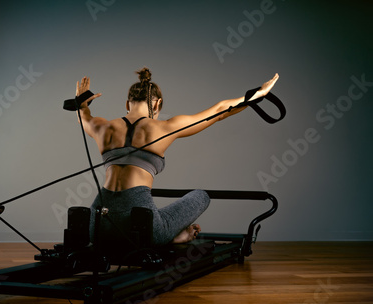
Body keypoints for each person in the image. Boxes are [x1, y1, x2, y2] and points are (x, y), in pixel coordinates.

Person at [75, 68, 279, 247]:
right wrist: (256, 95)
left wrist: (82, 103)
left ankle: (167, 235)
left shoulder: (103, 127)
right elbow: (218, 112)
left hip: (98, 227)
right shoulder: (163, 127)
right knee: (200, 196)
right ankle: (170, 237)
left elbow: (84, 116)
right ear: (157, 104)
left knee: (144, 218)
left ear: (127, 104)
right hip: (143, 228)